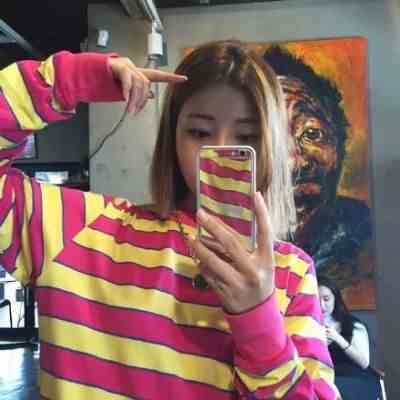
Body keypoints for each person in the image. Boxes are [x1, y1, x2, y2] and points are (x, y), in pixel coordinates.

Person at [0, 40, 339, 399]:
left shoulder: (291, 274)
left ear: (271, 144)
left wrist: (257, 319)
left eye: (246, 136)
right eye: (199, 132)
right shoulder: (79, 230)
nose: (218, 149)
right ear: (172, 137)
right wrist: (71, 79)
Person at [263, 46, 372, 290]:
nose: (293, 163)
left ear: (339, 146)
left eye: (312, 134)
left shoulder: (364, 236)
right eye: (266, 140)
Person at [318, 278, 380, 399]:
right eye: (316, 300)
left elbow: (364, 363)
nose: (321, 305)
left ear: (335, 299)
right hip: (323, 379)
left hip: (355, 378)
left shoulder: (353, 325)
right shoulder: (304, 326)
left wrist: (338, 338)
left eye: (326, 299)